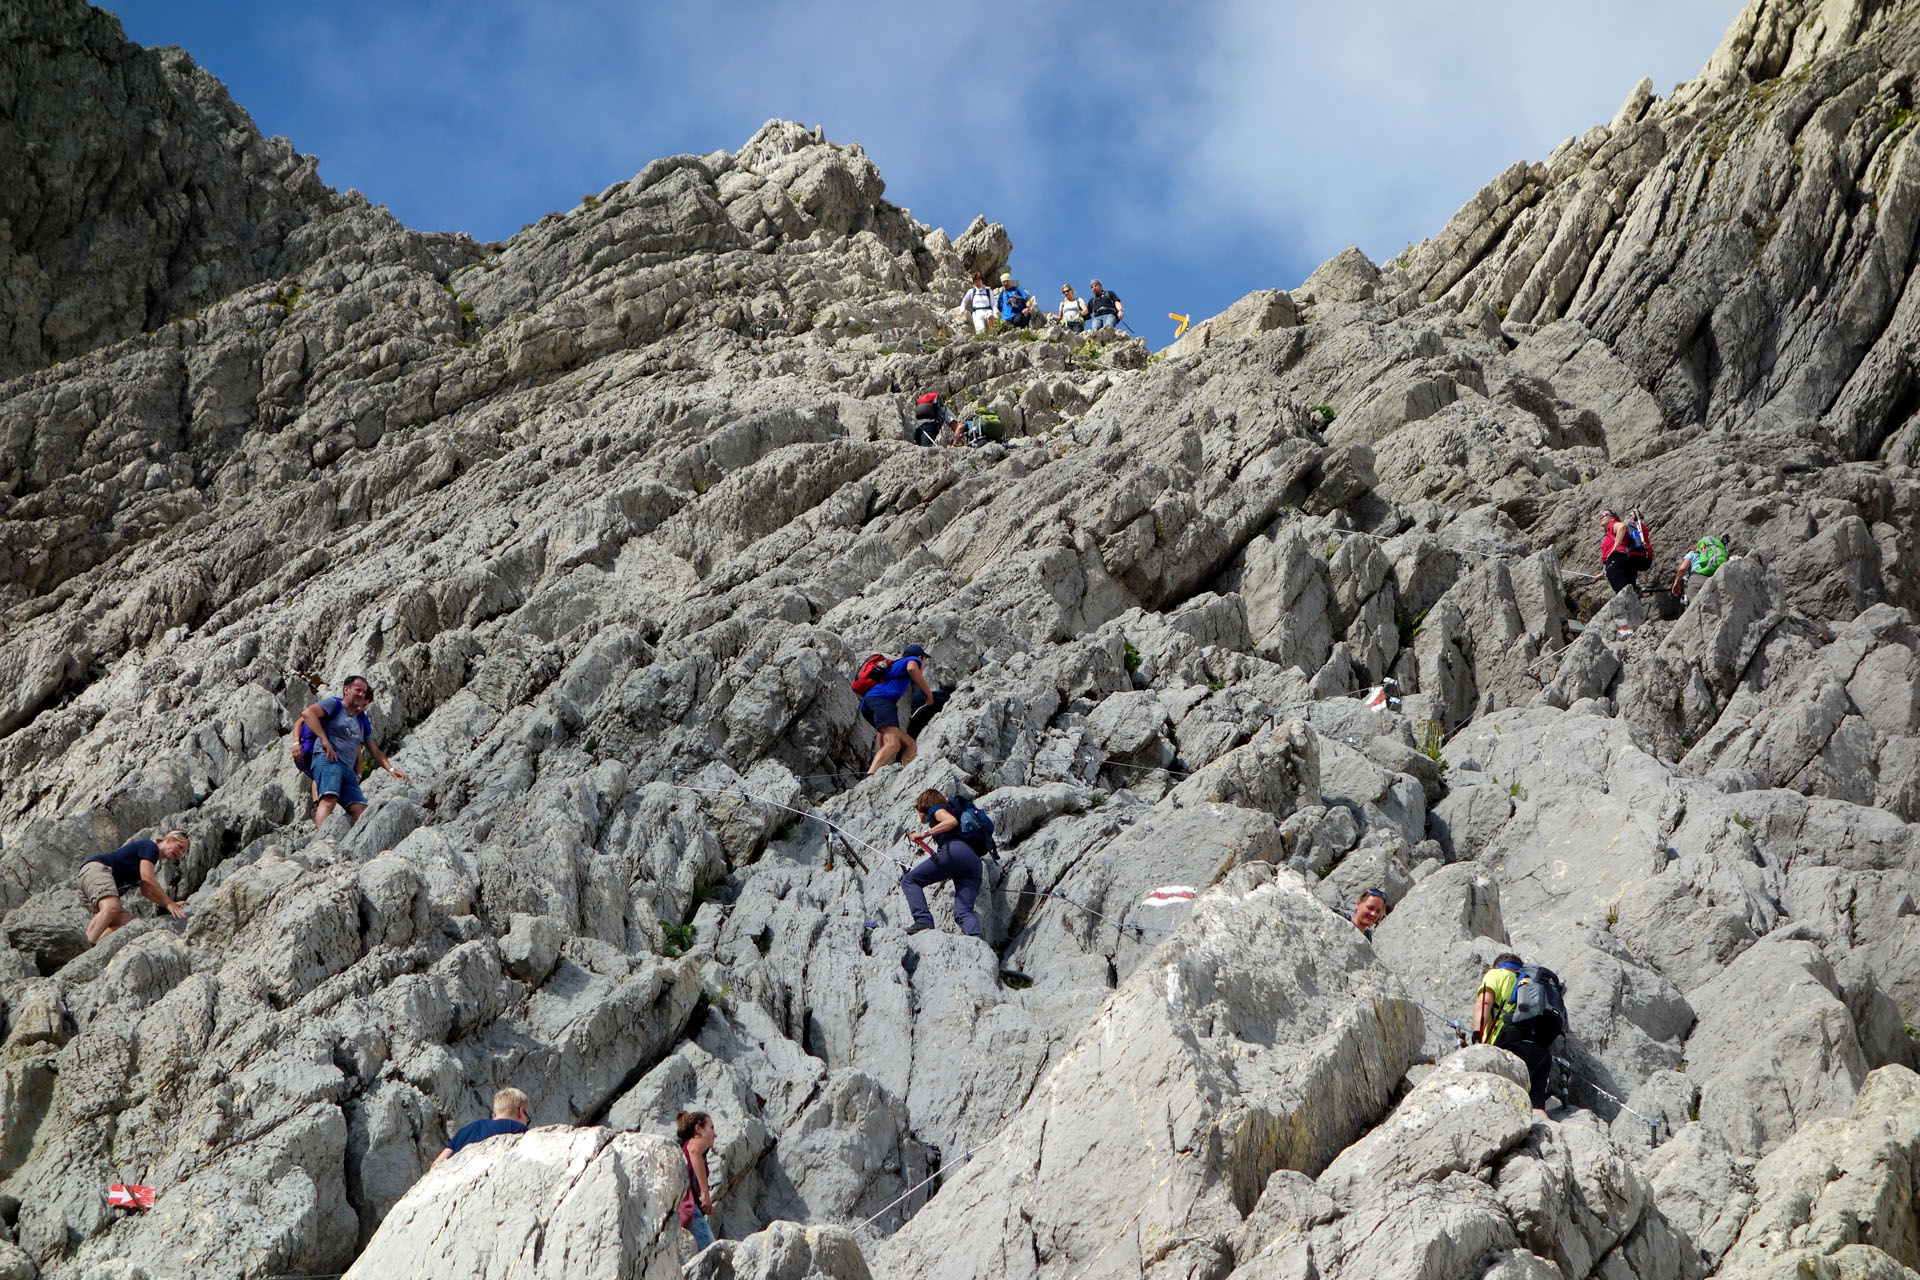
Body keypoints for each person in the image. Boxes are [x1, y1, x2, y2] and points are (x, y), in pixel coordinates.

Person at [299, 675, 408, 831]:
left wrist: (391, 769)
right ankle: (321, 839)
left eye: (363, 692)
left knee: (360, 809)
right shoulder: (334, 705)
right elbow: (308, 713)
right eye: (358, 690)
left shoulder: (361, 721)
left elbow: (374, 750)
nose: (361, 694)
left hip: (347, 769)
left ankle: (347, 843)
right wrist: (324, 739)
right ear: (346, 690)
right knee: (329, 798)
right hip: (328, 759)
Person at [1472, 953, 1559, 1109]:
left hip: (1508, 1047)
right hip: (1540, 1052)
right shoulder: (1532, 983)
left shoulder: (1496, 974)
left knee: (1501, 1105)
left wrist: (1476, 1036)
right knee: (1536, 1109)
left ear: (1496, 966)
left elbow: (1484, 1002)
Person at [900, 789, 985, 938]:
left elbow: (951, 822)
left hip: (956, 851)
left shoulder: (934, 809)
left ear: (923, 806)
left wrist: (924, 833)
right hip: (973, 861)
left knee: (909, 881)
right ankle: (978, 942)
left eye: (917, 809)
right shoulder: (947, 813)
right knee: (962, 912)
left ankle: (923, 920)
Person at [78, 830, 189, 944]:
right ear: (169, 840)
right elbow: (147, 877)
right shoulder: (150, 847)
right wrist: (169, 903)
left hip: (91, 881)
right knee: (111, 907)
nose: (180, 853)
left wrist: (168, 904)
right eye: (180, 847)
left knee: (124, 922)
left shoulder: (149, 859)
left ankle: (94, 947)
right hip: (97, 870)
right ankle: (83, 945)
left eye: (183, 852)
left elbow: (146, 891)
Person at [861, 646, 935, 774]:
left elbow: (881, 731)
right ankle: (870, 776)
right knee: (893, 744)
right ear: (920, 657)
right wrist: (929, 695)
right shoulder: (912, 660)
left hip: (868, 704)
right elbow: (912, 668)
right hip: (882, 701)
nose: (924, 665)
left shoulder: (895, 666)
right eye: (924, 661)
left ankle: (906, 774)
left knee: (910, 744)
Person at [431, 1087, 531, 1169]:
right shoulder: (520, 1132)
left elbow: (436, 1165)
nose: (526, 1123)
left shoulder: (468, 1129)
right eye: (527, 1119)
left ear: (494, 1115)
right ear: (520, 1112)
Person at [677, 1110, 718, 1252]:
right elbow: (694, 1151)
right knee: (712, 1253)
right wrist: (705, 1193)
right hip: (688, 1207)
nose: (715, 1134)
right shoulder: (697, 1142)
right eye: (711, 1128)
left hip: (681, 1209)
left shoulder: (684, 1146)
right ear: (698, 1129)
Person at [1593, 509, 1641, 594]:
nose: (1601, 517)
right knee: (1630, 593)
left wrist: (1615, 546)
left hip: (1618, 561)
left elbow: (1622, 526)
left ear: (1612, 518)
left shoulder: (1613, 525)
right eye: (1600, 516)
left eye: (1604, 515)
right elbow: (1608, 558)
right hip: (1623, 562)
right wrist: (1604, 573)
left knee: (1624, 594)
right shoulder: (1609, 533)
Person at [1670, 532, 1729, 599]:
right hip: (1714, 579)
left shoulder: (1692, 553)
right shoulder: (1711, 555)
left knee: (1696, 607)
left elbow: (1682, 568)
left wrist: (1676, 582)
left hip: (1697, 580)